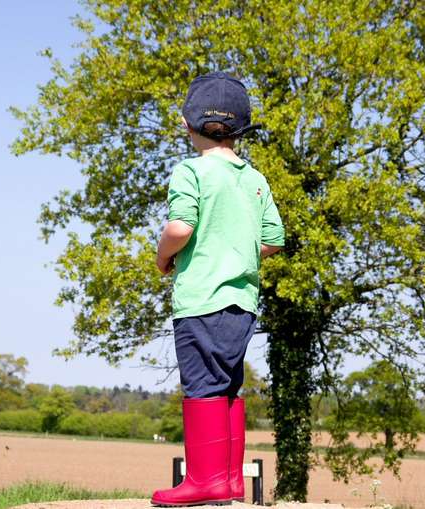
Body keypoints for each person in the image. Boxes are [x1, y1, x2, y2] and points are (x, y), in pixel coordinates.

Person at [151, 71, 284, 507]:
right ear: (242, 130)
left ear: (186, 124)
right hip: (242, 301)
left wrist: (162, 256)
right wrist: (235, 251)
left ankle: (204, 480)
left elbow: (180, 227)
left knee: (201, 385)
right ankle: (228, 480)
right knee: (226, 385)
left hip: (201, 296)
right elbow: (271, 241)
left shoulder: (189, 171)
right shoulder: (255, 180)